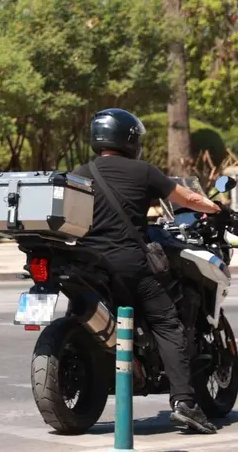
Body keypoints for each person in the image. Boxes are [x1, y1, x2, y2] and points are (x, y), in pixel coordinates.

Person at [72, 108, 221, 434]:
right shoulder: (143, 171)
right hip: (130, 263)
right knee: (168, 323)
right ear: (129, 138)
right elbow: (187, 198)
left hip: (88, 265)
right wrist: (214, 206)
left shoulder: (81, 172)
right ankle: (185, 403)